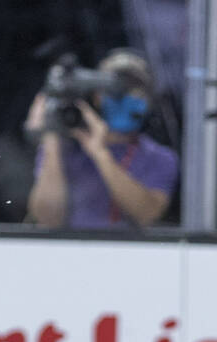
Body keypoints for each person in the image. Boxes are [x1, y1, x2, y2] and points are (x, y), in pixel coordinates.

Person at [25, 49, 179, 230]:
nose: (123, 96)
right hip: (69, 251)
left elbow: (147, 214)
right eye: (115, 90)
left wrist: (100, 153)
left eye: (134, 89)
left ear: (148, 99)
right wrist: (51, 135)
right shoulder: (66, 149)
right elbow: (48, 217)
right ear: (97, 96)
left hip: (127, 254)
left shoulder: (159, 158)